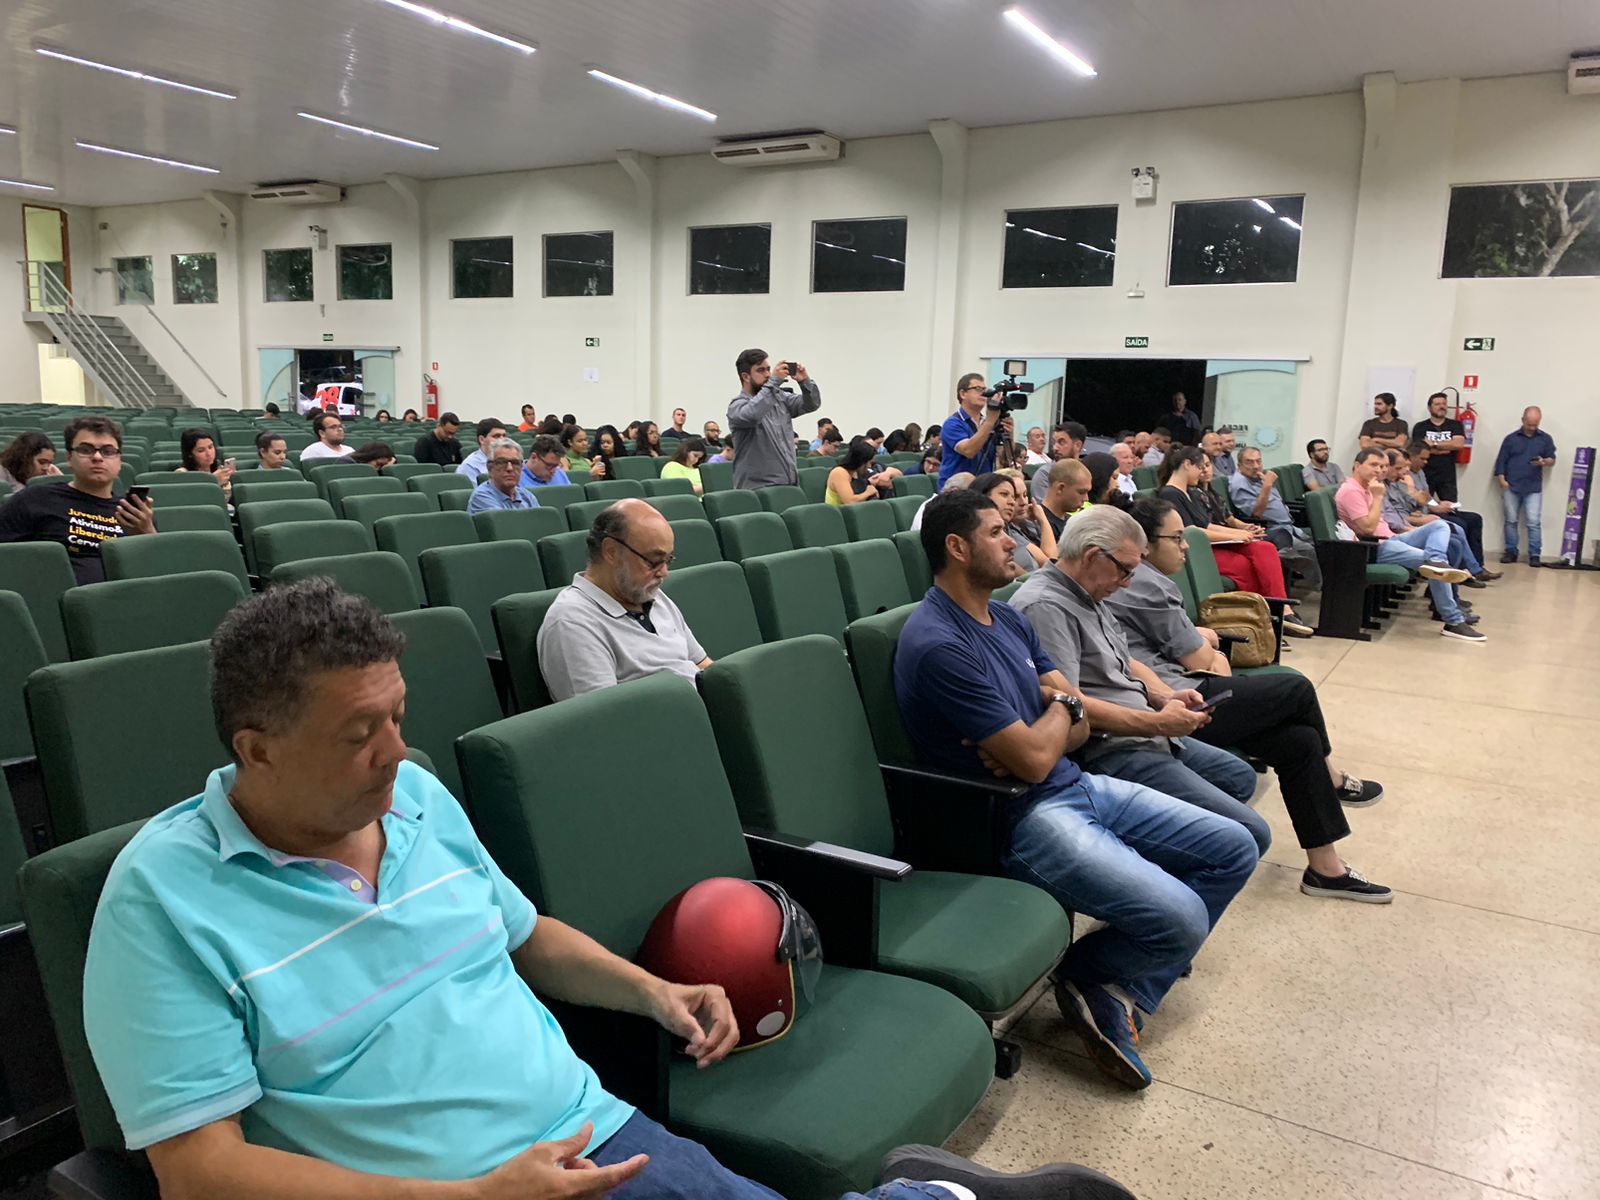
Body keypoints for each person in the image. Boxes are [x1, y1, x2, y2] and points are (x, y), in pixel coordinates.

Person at [82, 576, 1100, 1200]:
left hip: (584, 1129)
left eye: (399, 717)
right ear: (255, 749)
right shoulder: (164, 901)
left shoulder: (416, 798)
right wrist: (472, 1196)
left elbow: (524, 936)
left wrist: (652, 991)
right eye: (359, 735)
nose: (396, 751)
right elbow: (200, 1174)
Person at [894, 489, 1259, 1089]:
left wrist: (1055, 715)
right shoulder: (939, 643)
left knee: (1237, 848)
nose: (1013, 542)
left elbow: (1077, 725)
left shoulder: (1008, 619)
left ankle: (1111, 982)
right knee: (1184, 921)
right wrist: (1057, 716)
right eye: (996, 532)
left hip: (1078, 783)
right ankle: (1096, 976)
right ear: (956, 548)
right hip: (1019, 817)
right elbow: (1038, 757)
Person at [1112, 499, 1392, 901]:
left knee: (1300, 742)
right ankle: (1331, 779)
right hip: (1179, 701)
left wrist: (1205, 643)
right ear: (1145, 545)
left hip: (1186, 685)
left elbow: (1198, 651)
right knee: (1296, 690)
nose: (1186, 546)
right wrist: (1205, 641)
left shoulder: (1148, 581)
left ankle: (1325, 868)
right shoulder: (1146, 584)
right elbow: (1198, 659)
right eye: (1176, 539)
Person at [1009, 506, 1272, 858]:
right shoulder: (1046, 606)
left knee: (1239, 777)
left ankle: (1176, 852)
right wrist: (1157, 723)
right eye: (1125, 570)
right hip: (1112, 748)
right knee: (1251, 834)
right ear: (1091, 556)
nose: (1128, 582)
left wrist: (1163, 697)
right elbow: (1068, 706)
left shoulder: (1089, 592)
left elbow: (1122, 664)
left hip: (1143, 728)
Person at [538, 500, 711, 700]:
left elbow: (702, 664)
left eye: (668, 560)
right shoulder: (572, 622)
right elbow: (605, 715)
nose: (664, 572)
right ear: (611, 551)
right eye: (654, 561)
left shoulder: (652, 595)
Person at [1159, 448, 1312, 636]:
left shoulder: (1189, 492)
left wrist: (1242, 533)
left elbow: (1207, 524)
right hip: (1197, 551)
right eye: (1200, 467)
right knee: (1244, 565)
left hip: (1208, 545)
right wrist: (1237, 535)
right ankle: (1261, 622)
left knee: (1265, 548)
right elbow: (1192, 532)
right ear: (1187, 465)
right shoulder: (1171, 494)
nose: (1202, 472)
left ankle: (1280, 611)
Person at [1336, 449, 1482, 642]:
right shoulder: (1351, 491)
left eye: (1382, 466)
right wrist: (1378, 497)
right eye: (1373, 465)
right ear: (1357, 466)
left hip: (1391, 539)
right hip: (1374, 547)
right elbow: (1368, 528)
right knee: (1434, 568)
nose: (1379, 470)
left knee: (1440, 525)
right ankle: (1453, 621)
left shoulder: (1368, 487)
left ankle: (1436, 560)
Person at [0, 415, 155, 583]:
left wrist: (147, 533)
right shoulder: (34, 499)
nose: (97, 457)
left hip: (125, 595)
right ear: (69, 458)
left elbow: (156, 572)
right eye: (86, 450)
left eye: (108, 451)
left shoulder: (134, 512)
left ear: (119, 460)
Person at [1382, 450, 1488, 596]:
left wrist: (1435, 504)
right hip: (1401, 529)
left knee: (1463, 527)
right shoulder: (1387, 485)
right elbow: (1398, 515)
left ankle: (1468, 573)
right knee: (1453, 537)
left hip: (1415, 519)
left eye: (1406, 467)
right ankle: (1460, 576)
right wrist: (1417, 509)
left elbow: (1424, 499)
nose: (1405, 470)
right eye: (1400, 467)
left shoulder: (1409, 477)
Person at [727, 349, 822, 490]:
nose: (767, 374)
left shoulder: (779, 398)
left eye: (768, 369)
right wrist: (774, 382)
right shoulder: (737, 406)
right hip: (757, 488)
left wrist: (805, 382)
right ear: (746, 377)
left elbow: (812, 404)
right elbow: (752, 414)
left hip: (788, 483)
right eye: (761, 370)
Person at [1402, 441, 1492, 573]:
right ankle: (1467, 569)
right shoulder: (1404, 476)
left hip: (1429, 509)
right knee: (1459, 525)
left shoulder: (1419, 472)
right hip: (1422, 514)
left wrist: (1438, 504)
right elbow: (1415, 501)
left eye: (1427, 459)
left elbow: (1426, 495)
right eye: (1422, 458)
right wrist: (1433, 507)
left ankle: (1478, 565)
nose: (1426, 462)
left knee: (1475, 518)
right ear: (1411, 456)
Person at [1228, 448, 1320, 572]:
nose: (1256, 466)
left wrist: (1265, 483)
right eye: (1249, 462)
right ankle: (1314, 584)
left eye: (1258, 461)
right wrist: (1267, 486)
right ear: (1239, 465)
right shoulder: (1239, 484)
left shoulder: (1259, 478)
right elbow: (1256, 514)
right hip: (1270, 529)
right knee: (1309, 550)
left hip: (1288, 527)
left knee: (1321, 546)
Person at [1493, 406, 1558, 565]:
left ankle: (1534, 555)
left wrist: (1544, 462)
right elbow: (1501, 461)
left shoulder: (1545, 439)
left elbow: (1552, 459)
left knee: (1533, 522)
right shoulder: (1511, 439)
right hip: (1511, 485)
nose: (1532, 428)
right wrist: (1502, 480)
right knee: (1511, 521)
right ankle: (1511, 552)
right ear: (1523, 420)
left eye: (1535, 425)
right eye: (1529, 424)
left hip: (1533, 487)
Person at [936, 374, 1010, 489]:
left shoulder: (986, 423)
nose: (983, 393)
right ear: (963, 394)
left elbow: (1004, 457)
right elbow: (969, 450)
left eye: (985, 390)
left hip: (983, 487)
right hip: (957, 489)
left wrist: (1009, 434)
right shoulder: (952, 423)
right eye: (978, 389)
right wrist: (990, 421)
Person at [972, 471, 1056, 571]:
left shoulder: (1015, 527)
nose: (1013, 502)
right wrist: (1043, 520)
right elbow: (1051, 564)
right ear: (984, 496)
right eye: (1005, 494)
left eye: (1025, 495)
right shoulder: (986, 534)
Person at [1411, 391, 1466, 503]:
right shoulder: (1420, 426)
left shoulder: (1455, 425)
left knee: (1450, 505)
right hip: (1426, 472)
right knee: (1424, 503)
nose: (1442, 406)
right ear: (1429, 408)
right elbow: (1420, 449)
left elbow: (1458, 444)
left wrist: (1434, 445)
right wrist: (1447, 447)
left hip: (1447, 474)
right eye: (1437, 404)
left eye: (1444, 404)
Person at [468, 438, 542, 514]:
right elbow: (505, 521)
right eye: (502, 462)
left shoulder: (527, 496)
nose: (509, 468)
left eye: (515, 463)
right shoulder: (481, 497)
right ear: (490, 468)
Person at [1037, 459, 1093, 540]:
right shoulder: (1038, 524)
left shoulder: (1073, 523)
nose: (1086, 499)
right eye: (1081, 492)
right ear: (1060, 488)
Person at [827, 437, 893, 506]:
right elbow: (850, 502)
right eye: (868, 463)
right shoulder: (839, 472)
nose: (869, 466)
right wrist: (868, 492)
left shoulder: (855, 473)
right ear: (861, 462)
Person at [1028, 423, 1085, 503]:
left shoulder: (1087, 472)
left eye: (1061, 442)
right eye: (1054, 442)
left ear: (1077, 445)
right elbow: (1044, 509)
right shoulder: (1045, 474)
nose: (1055, 448)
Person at [175, 428, 236, 502]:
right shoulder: (182, 473)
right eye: (201, 450)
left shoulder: (219, 469)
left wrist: (229, 482)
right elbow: (187, 499)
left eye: (210, 447)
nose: (208, 453)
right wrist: (213, 481)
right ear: (190, 454)